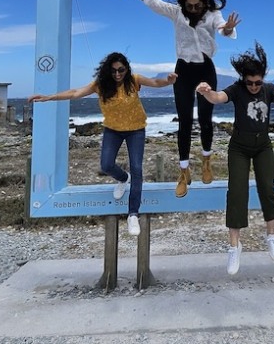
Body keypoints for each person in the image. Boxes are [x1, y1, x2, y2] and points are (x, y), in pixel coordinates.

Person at [111, 0, 240, 198]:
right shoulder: (177, 13)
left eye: (196, 6)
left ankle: (207, 161)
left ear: (203, 3)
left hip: (205, 70)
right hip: (183, 70)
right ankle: (183, 172)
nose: (192, 10)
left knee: (205, 119)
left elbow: (223, 28)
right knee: (185, 122)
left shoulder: (212, 15)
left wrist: (228, 27)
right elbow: (153, 2)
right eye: (189, 6)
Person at [27, 52, 177, 236]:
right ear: (108, 70)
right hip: (112, 129)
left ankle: (132, 214)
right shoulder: (100, 85)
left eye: (121, 70)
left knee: (137, 168)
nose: (117, 74)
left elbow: (155, 83)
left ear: (126, 69)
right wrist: (49, 97)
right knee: (106, 165)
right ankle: (123, 179)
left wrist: (168, 81)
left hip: (136, 130)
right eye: (113, 71)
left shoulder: (134, 80)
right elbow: (75, 93)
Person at [196, 42, 274, 275]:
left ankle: (271, 236)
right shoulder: (237, 89)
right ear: (243, 79)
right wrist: (207, 92)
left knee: (267, 187)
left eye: (257, 82)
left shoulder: (269, 89)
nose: (253, 86)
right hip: (239, 146)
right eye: (249, 82)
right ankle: (234, 247)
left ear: (263, 79)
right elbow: (219, 98)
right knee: (237, 192)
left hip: (263, 146)